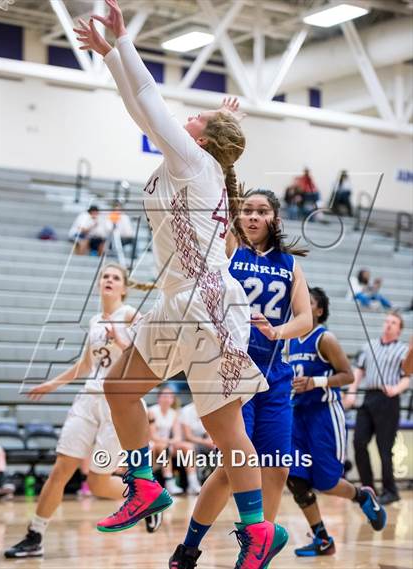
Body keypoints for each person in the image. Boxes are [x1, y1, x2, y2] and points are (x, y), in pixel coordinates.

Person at [74, 3, 280, 565]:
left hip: (202, 301)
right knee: (172, 408)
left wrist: (121, 44)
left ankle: (217, 513)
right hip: (193, 301)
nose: (186, 116)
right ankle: (185, 500)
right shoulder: (192, 162)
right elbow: (144, 109)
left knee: (184, 414)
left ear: (206, 139)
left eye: (199, 117)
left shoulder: (193, 161)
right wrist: (115, 54)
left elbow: (148, 105)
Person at [169, 188, 312, 568]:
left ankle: (257, 548)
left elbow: (305, 318)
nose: (251, 216)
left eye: (261, 211)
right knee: (234, 466)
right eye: (247, 210)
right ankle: (188, 549)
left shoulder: (290, 265)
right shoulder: (229, 249)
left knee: (277, 464)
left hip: (275, 375)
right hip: (233, 371)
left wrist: (278, 332)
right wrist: (224, 165)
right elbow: (225, 205)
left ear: (274, 219)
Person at [4, 264, 161, 559]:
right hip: (88, 399)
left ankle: (148, 499)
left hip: (121, 403)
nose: (109, 280)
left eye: (115, 277)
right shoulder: (93, 320)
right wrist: (50, 384)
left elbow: (149, 356)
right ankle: (35, 534)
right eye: (105, 276)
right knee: (62, 468)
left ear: (124, 288)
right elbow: (86, 366)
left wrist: (123, 340)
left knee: (98, 482)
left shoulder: (129, 314)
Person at [287, 287, 386, 557]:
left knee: (326, 482)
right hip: (298, 416)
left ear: (318, 310)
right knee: (295, 478)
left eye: (308, 303)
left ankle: (362, 496)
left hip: (324, 415)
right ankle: (322, 539)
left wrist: (315, 382)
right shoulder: (290, 339)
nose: (301, 306)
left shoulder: (324, 338)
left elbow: (348, 376)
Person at [345, 311, 410, 505]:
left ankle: (391, 490)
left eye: (394, 322)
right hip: (369, 397)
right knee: (358, 442)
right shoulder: (369, 346)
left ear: (399, 329)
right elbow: (359, 371)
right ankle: (368, 488)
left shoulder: (403, 350)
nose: (389, 324)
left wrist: (395, 389)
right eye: (387, 321)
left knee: (384, 448)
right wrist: (351, 391)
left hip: (389, 399)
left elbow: (407, 377)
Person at [149, 386, 201, 495]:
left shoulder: (174, 414)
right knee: (164, 447)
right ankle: (169, 483)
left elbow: (177, 436)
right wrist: (169, 442)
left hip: (168, 443)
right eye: (165, 396)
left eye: (170, 396)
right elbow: (152, 435)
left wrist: (171, 441)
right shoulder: (152, 411)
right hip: (153, 445)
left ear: (173, 400)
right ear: (159, 398)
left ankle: (193, 482)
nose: (167, 399)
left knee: (188, 446)